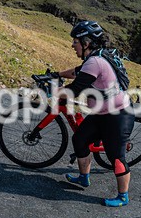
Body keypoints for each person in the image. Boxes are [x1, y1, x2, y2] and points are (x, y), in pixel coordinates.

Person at [56, 20, 136, 207]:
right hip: (100, 114)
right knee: (80, 140)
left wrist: (52, 92)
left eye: (75, 41)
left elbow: (76, 87)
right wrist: (57, 74)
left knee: (116, 156)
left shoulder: (96, 61)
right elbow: (78, 72)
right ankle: (84, 177)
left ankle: (123, 197)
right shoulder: (93, 59)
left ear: (87, 42)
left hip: (118, 115)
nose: (72, 45)